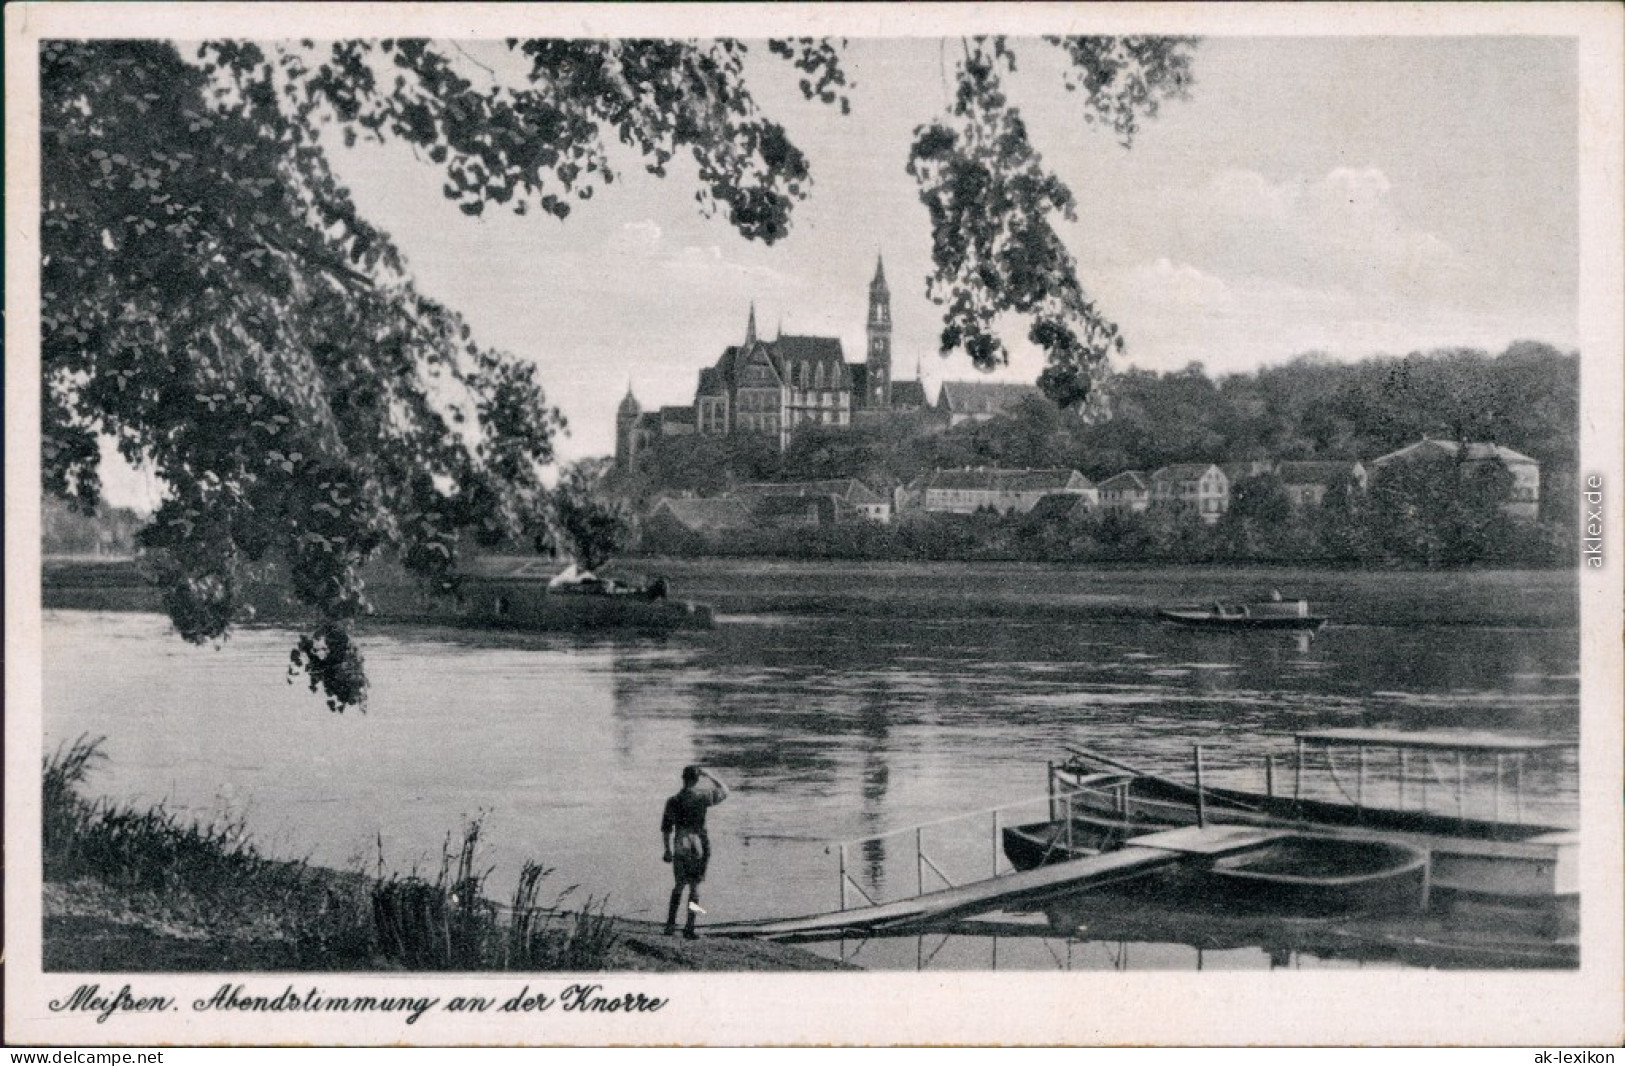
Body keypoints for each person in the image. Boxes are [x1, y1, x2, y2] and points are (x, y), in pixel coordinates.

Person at [661, 765, 729, 939]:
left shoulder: (673, 800)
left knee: (678, 885)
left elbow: (666, 828)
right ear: (697, 779)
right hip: (698, 843)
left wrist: (667, 850)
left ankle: (670, 925)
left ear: (683, 778)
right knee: (695, 887)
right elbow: (725, 791)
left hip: (680, 843)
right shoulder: (703, 796)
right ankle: (689, 928)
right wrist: (710, 775)